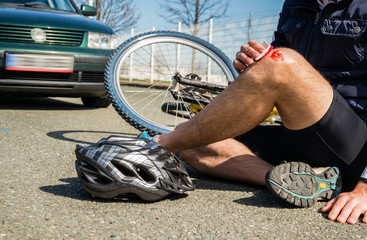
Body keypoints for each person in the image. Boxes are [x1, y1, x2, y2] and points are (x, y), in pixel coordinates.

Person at [140, 0, 367, 224]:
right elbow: (279, 62)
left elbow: (284, 65)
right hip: (298, 131)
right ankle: (306, 181)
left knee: (280, 63)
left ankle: (156, 146)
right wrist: (255, 69)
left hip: (353, 138)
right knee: (190, 142)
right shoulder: (296, 4)